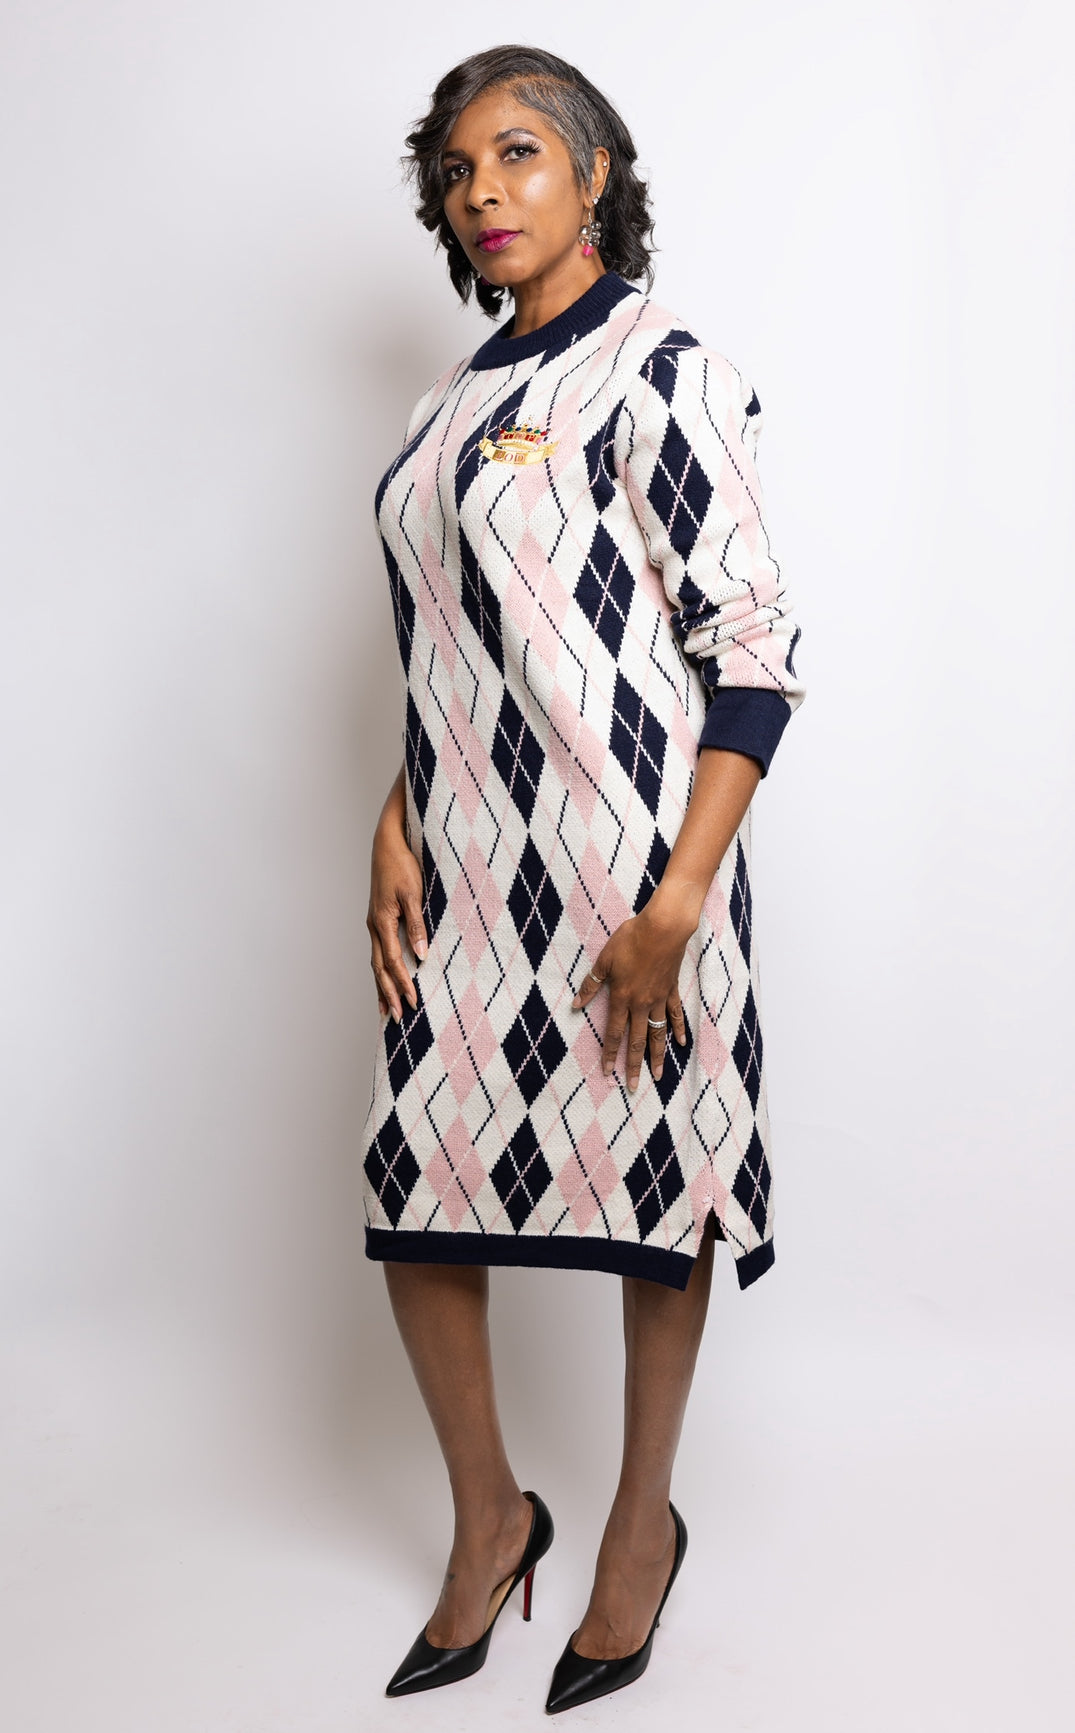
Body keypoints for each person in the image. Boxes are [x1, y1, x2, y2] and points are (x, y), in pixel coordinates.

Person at [361, 44, 804, 1714]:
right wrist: (396, 811)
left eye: (519, 154)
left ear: (595, 171)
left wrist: (681, 902)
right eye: (458, 170)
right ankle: (492, 1515)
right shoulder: (441, 408)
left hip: (631, 874)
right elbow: (451, 646)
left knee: (654, 1194)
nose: (482, 192)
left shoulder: (663, 369)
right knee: (417, 1184)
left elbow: (751, 653)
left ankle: (636, 1528)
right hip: (467, 874)